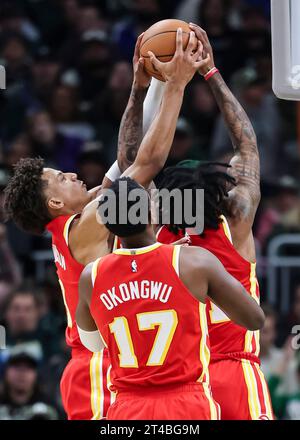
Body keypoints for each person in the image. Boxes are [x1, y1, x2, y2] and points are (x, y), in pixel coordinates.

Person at [4, 29, 207, 419]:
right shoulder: (84, 227)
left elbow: (128, 157)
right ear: (56, 203)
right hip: (94, 372)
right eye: (60, 177)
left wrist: (142, 84)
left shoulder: (82, 221)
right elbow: (146, 164)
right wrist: (178, 85)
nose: (71, 173)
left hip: (103, 365)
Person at [156, 23, 274, 420]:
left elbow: (138, 162)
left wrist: (155, 88)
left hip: (184, 383)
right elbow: (247, 144)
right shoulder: (236, 220)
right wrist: (210, 72)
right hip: (235, 371)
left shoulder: (159, 234)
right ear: (217, 191)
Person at [76, 176, 264, 420]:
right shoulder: (191, 261)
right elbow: (254, 320)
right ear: (151, 214)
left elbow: (93, 344)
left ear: (108, 227)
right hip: (186, 403)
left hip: (128, 407)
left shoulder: (91, 275)